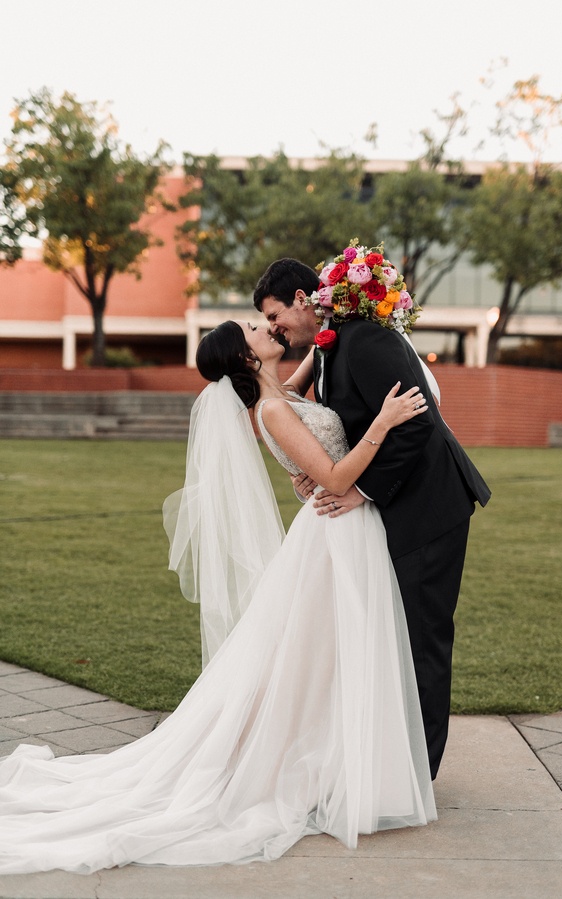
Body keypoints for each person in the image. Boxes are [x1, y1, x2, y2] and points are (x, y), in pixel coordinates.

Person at [0, 320, 436, 875]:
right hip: (336, 530)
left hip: (342, 533)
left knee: (328, 659)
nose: (267, 325)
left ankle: (346, 766)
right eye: (255, 328)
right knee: (328, 654)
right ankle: (327, 769)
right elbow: (332, 475)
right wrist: (382, 422)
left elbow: (310, 371)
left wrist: (328, 329)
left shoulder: (282, 393)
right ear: (245, 357)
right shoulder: (274, 410)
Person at [254, 247, 491, 780]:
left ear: (300, 299)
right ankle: (394, 761)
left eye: (275, 316)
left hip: (430, 507)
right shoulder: (333, 345)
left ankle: (417, 776)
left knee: (422, 638)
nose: (275, 329)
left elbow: (416, 423)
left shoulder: (366, 339)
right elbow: (343, 421)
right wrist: (316, 467)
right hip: (398, 504)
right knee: (396, 636)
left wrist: (360, 490)